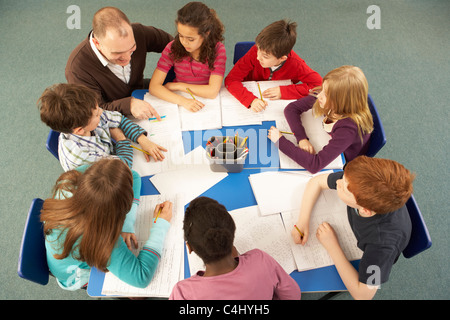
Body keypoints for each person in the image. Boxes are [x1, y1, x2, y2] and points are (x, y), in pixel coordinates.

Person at [291, 156, 414, 300]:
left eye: (343, 187)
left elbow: (363, 296)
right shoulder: (358, 180)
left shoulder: (382, 247)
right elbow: (316, 181)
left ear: (365, 210)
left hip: (370, 249)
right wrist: (303, 221)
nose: (338, 182)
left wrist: (332, 246)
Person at [41, 158, 173, 290]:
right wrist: (160, 224)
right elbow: (141, 278)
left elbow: (134, 176)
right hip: (73, 275)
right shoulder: (100, 237)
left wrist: (127, 224)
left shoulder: (79, 177)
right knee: (134, 293)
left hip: (63, 248)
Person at [170, 197, 301, 300]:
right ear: (231, 234)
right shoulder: (260, 260)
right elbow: (293, 296)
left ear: (189, 248)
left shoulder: (183, 293)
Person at [65, 7, 173, 119]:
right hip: (112, 117)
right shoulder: (77, 69)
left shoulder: (138, 32)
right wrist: (129, 105)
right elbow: (94, 112)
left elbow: (174, 45)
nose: (127, 58)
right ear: (97, 43)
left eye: (132, 48)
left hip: (139, 93)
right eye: (118, 53)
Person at [38, 83, 167, 171]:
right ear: (79, 130)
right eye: (96, 114)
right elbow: (122, 167)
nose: (101, 111)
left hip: (111, 155)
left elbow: (119, 119)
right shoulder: (82, 157)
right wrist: (121, 138)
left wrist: (142, 140)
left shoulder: (87, 116)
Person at [268, 65, 373, 174]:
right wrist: (302, 139)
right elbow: (291, 109)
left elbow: (315, 165)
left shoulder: (348, 128)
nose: (319, 96)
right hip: (329, 139)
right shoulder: (331, 98)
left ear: (342, 101)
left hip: (343, 160)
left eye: (326, 94)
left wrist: (280, 141)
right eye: (322, 88)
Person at [224, 19, 322, 112]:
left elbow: (319, 85)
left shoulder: (296, 64)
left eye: (265, 56)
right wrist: (250, 100)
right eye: (258, 49)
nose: (258, 57)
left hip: (276, 106)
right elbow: (231, 80)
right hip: (249, 94)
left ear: (282, 58)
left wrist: (284, 92)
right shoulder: (254, 52)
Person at [149, 2, 226, 112]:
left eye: (191, 39)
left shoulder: (218, 50)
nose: (184, 42)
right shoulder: (172, 48)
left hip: (206, 101)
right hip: (180, 100)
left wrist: (178, 86)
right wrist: (183, 101)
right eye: (180, 35)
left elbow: (212, 91)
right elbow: (154, 87)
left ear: (206, 34)